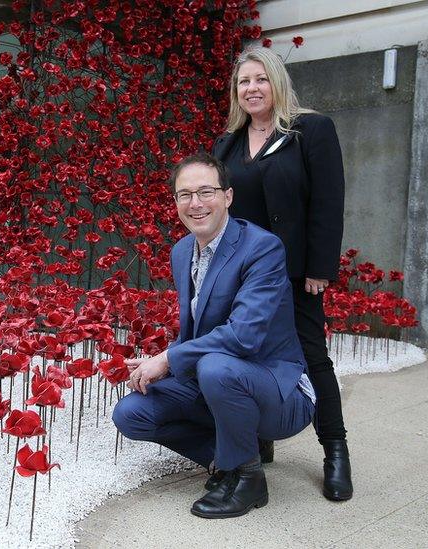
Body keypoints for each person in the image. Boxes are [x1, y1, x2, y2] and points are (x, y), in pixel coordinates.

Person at [113, 153, 316, 519]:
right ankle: (228, 459)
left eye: (206, 192)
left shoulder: (262, 248)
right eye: (184, 195)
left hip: (279, 390)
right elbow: (200, 331)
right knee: (132, 413)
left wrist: (170, 359)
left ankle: (250, 481)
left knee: (216, 369)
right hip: (218, 379)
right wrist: (161, 360)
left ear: (228, 196)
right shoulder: (180, 252)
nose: (195, 204)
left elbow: (243, 337)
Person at [210, 46, 351, 501]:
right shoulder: (228, 144)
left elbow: (329, 201)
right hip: (242, 274)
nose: (251, 89)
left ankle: (335, 451)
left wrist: (319, 267)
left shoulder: (310, 130)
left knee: (312, 355)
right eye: (243, 82)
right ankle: (255, 441)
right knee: (244, 352)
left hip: (294, 273)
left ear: (277, 82)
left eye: (260, 79)